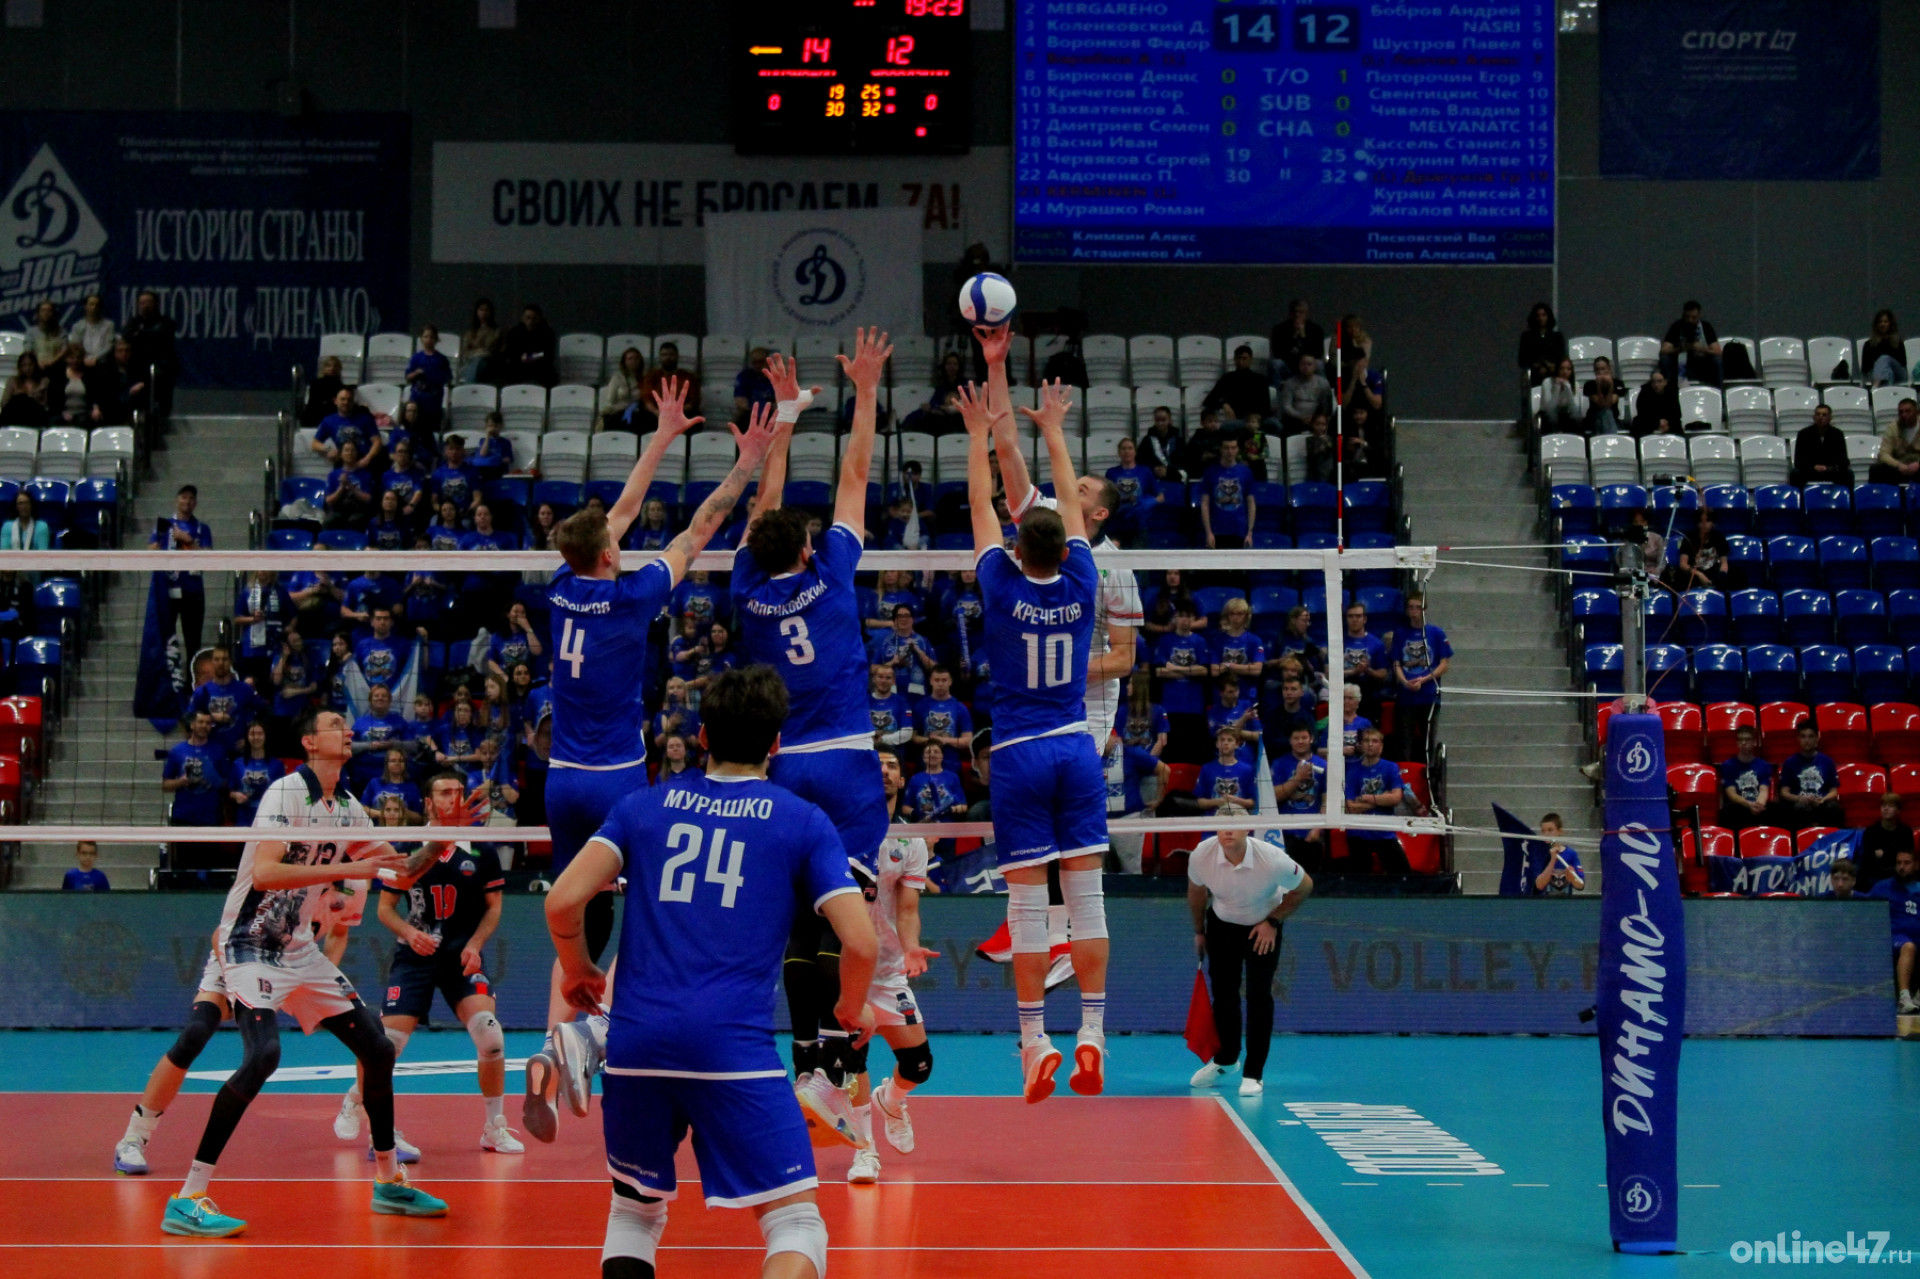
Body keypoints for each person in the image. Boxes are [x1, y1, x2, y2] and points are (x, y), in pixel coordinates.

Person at [542, 665, 879, 1279]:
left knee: (633, 1213)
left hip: (635, 1046)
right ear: (776, 742)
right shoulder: (802, 820)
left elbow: (562, 901)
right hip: (731, 1050)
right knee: (796, 1223)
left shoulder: (641, 807)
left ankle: (576, 1042)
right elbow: (860, 941)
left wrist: (578, 969)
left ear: (702, 736)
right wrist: (850, 1009)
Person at [524, 380, 776, 1143]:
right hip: (614, 780)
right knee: (649, 907)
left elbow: (619, 514)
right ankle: (605, 1036)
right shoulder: (633, 596)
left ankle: (552, 1046)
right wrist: (748, 462)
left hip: (561, 779)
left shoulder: (562, 588)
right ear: (609, 555)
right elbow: (700, 528)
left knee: (575, 910)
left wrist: (663, 436)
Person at [156, 707, 449, 1236]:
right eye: (336, 725)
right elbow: (266, 873)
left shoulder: (350, 809)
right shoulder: (285, 793)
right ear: (311, 743)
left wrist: (441, 836)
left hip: (299, 949)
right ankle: (189, 1196)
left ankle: (389, 1183)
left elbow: (403, 872)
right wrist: (352, 867)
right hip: (249, 943)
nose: (348, 731)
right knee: (264, 1054)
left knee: (378, 1047)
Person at [733, 332, 898, 1131]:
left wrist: (786, 418)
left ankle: (807, 1061)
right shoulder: (830, 575)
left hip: (788, 767)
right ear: (807, 548)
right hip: (849, 765)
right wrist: (864, 389)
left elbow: (759, 512)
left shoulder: (747, 590)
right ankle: (834, 1059)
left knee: (805, 916)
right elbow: (856, 475)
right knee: (849, 914)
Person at [956, 373, 1112, 1102]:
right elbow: (1069, 511)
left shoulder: (1001, 582)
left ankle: (1033, 1041)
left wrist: (977, 436)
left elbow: (979, 505)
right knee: (1087, 902)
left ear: (1019, 548)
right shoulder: (1083, 582)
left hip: (1019, 753)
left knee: (1026, 909)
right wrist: (1053, 428)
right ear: (1067, 547)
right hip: (1075, 744)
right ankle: (1093, 1031)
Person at [332, 771, 521, 1156]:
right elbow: (385, 909)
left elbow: (494, 908)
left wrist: (476, 943)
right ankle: (366, 1113)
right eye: (445, 793)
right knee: (386, 1045)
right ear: (430, 803)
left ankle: (494, 1128)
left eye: (459, 792)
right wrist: (409, 931)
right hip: (415, 957)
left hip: (461, 957)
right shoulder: (409, 848)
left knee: (491, 1037)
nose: (454, 798)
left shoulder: (482, 851)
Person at [840, 751, 940, 1183]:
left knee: (919, 1066)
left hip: (887, 971)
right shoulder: (840, 831)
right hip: (845, 964)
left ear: (902, 780)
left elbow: (908, 907)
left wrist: (911, 947)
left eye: (893, 765)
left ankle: (892, 1100)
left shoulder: (910, 841)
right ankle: (864, 1151)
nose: (884, 770)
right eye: (877, 763)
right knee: (852, 1057)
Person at [1187, 827, 1312, 1095]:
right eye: (1223, 827)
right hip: (1222, 925)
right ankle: (1226, 1059)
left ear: (1247, 830)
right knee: (1223, 994)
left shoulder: (1272, 859)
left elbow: (1304, 887)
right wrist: (1199, 931)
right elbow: (1196, 892)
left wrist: (1273, 922)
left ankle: (1254, 1073)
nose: (1228, 832)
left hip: (1262, 927)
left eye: (1235, 826)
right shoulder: (1201, 855)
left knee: (1258, 996)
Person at [150, 485, 212, 655]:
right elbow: (151, 548)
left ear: (195, 503)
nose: (187, 501)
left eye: (191, 498)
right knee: (165, 639)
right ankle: (167, 672)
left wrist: (189, 541)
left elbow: (209, 558)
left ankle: (191, 672)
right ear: (177, 500)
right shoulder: (164, 525)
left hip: (193, 591)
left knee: (193, 641)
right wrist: (154, 549)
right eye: (184, 497)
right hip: (167, 588)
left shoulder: (202, 528)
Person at [1390, 595, 1451, 767]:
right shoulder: (1400, 634)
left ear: (1424, 609)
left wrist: (1424, 680)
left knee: (1427, 740)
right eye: (1411, 607)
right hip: (1406, 696)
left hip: (1429, 695)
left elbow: (1444, 664)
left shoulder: (1436, 633)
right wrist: (1405, 682)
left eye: (1418, 607)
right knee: (1405, 741)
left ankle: (1428, 774)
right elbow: (1396, 663)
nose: (1414, 611)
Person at [1344, 727, 1408, 873]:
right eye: (1366, 741)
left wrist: (1367, 798)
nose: (1370, 744)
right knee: (1360, 878)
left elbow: (1396, 798)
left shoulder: (1391, 767)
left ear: (1381, 746)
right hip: (1358, 833)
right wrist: (1382, 798)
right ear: (1360, 745)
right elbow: (1351, 808)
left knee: (1404, 875)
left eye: (1374, 741)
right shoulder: (1352, 771)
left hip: (1384, 831)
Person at [1864, 848, 1920, 1014]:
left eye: (1906, 863)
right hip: (1893, 937)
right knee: (1908, 947)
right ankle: (1904, 998)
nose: (1902, 867)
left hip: (1917, 937)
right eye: (1899, 863)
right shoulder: (1882, 888)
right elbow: (1865, 910)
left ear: (1916, 865)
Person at [1272, 725, 1328, 872]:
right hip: (1285, 834)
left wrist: (1318, 829)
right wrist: (1298, 778)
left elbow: (1327, 802)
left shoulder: (1323, 765)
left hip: (1312, 833)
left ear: (1311, 739)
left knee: (1312, 879)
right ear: (1290, 741)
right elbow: (1274, 797)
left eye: (1304, 737)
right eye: (1296, 738)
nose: (1300, 741)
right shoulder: (1279, 764)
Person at [1770, 719, 1842, 832]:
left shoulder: (1828, 762)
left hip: (1821, 804)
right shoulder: (1790, 762)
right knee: (1797, 809)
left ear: (1817, 738)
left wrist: (1823, 799)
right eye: (1803, 736)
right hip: (1799, 805)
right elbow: (1784, 792)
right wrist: (1799, 799)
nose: (1807, 740)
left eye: (1810, 736)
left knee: (1834, 809)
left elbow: (1834, 792)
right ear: (1798, 739)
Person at [1715, 724, 1774, 836]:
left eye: (1747, 739)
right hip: (1739, 806)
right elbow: (1731, 794)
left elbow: (1763, 790)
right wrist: (1749, 805)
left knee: (1775, 809)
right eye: (1740, 740)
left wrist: (1758, 805)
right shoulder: (1728, 765)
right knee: (1729, 810)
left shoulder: (1763, 765)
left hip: (1757, 805)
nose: (1743, 743)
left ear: (1754, 742)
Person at [1199, 437, 1256, 551]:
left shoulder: (1246, 472)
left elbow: (1251, 504)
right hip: (1217, 531)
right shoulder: (1210, 472)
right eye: (1226, 448)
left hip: (1239, 530)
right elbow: (1205, 504)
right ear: (1221, 449)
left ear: (1238, 449)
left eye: (1233, 448)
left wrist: (1250, 532)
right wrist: (1208, 532)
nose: (1230, 451)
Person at [228, 722, 287, 827]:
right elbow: (230, 792)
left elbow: (283, 794)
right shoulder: (237, 764)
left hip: (269, 819)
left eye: (260, 734)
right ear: (247, 737)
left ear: (265, 736)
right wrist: (236, 795)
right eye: (252, 734)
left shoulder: (277, 765)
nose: (256, 737)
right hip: (244, 819)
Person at [1203, 344, 1273, 426]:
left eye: (1244, 359)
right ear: (1234, 359)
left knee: (1274, 424)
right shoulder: (1228, 378)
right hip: (1237, 420)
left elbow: (1266, 408)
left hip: (1257, 420)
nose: (1240, 362)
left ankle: (1256, 432)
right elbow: (1209, 401)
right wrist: (1224, 404)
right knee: (1227, 427)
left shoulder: (1260, 380)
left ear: (1250, 360)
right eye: (1238, 358)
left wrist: (1255, 419)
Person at [1856, 793, 1914, 892]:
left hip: (1898, 874)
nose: (1886, 809)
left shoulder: (1905, 832)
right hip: (1875, 875)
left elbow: (1906, 858)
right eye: (1883, 806)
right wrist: (1891, 853)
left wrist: (1884, 854)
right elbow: (1868, 859)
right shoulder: (1871, 831)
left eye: (1890, 806)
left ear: (1898, 810)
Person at [1197, 726, 1259, 815]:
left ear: (1237, 744)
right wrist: (1218, 801)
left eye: (1229, 740)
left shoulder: (1247, 770)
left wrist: (1235, 801)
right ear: (1217, 744)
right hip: (1213, 819)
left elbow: (1253, 802)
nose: (1225, 743)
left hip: (1239, 818)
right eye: (1222, 740)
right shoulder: (1206, 768)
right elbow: (1200, 802)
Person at [902, 741, 967, 823]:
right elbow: (905, 808)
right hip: (923, 825)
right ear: (923, 757)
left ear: (942, 756)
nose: (932, 755)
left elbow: (964, 806)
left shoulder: (953, 777)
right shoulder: (915, 779)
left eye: (936, 752)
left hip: (947, 825)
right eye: (928, 752)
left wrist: (950, 809)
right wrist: (916, 812)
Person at [1660, 300, 1722, 386]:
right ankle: (1669, 388)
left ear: (1699, 316)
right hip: (1680, 362)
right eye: (1687, 317)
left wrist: (1702, 349)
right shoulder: (1677, 326)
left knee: (1717, 360)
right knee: (1665, 359)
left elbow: (1718, 352)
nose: (1690, 320)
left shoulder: (1706, 327)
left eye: (1694, 317)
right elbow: (1664, 351)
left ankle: (1717, 390)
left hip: (1701, 362)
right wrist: (1679, 349)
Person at [498, 303, 557, 387]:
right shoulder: (515, 332)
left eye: (534, 319)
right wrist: (523, 358)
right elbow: (511, 353)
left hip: (540, 367)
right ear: (522, 318)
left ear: (539, 319)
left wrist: (530, 357)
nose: (530, 322)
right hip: (519, 367)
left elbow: (547, 354)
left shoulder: (547, 333)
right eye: (528, 318)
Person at [1793, 403, 1852, 488]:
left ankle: (1846, 496)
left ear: (1830, 418)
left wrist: (1828, 468)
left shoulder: (1837, 434)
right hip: (1810, 471)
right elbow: (1798, 461)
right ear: (1814, 417)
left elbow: (1843, 460)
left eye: (1824, 415)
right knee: (1795, 473)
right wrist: (1813, 467)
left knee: (1848, 474)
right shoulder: (1804, 434)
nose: (1820, 417)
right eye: (1818, 414)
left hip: (1831, 471)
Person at [1276, 351, 1331, 436]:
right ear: (1299, 366)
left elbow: (1325, 406)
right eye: (1303, 364)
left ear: (1315, 367)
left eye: (1309, 364)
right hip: (1294, 419)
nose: (1306, 367)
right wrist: (1300, 416)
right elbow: (1286, 405)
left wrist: (1315, 417)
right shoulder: (1289, 383)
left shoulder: (1323, 383)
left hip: (1315, 419)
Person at [1272, 299, 1327, 380]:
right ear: (1290, 314)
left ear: (1306, 314)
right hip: (1288, 365)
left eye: (1301, 312)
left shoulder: (1316, 329)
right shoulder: (1279, 329)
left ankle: (1323, 386)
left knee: (1319, 364)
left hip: (1308, 365)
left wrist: (1303, 336)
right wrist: (1294, 337)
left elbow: (1317, 353)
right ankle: (1274, 387)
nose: (1297, 315)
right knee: (1275, 364)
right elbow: (1278, 353)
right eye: (1294, 312)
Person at [1531, 813, 1585, 894]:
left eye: (1550, 830)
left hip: (1566, 900)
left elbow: (1581, 885)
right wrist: (1552, 860)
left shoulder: (1571, 854)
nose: (1546, 834)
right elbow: (1539, 885)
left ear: (1560, 831)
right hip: (1545, 900)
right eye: (1543, 831)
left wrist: (1572, 880)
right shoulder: (1540, 854)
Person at [1871, 397, 1920, 486]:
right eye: (1901, 412)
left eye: (1908, 411)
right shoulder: (1893, 428)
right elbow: (1883, 454)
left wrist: (1918, 464)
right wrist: (1899, 465)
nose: (1904, 415)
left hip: (1918, 466)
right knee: (1876, 469)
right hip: (1900, 468)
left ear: (1917, 412)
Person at [1517, 302, 1568, 386]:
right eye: (1538, 316)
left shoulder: (1557, 336)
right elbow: (1522, 360)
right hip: (1534, 373)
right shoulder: (1527, 337)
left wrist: (1549, 366)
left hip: (1553, 373)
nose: (1540, 318)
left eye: (1543, 315)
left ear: (1548, 317)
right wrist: (1538, 366)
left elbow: (1561, 357)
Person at [602, 345, 647, 430]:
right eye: (630, 359)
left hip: (638, 414)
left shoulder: (645, 377)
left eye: (636, 359)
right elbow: (611, 401)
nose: (633, 361)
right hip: (618, 413)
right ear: (624, 362)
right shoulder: (617, 377)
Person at [459, 298, 502, 384]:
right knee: (472, 364)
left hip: (487, 363)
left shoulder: (496, 332)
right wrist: (478, 350)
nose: (484, 313)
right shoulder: (470, 333)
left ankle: (469, 387)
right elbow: (465, 352)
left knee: (478, 361)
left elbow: (489, 351)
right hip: (470, 361)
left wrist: (476, 347)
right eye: (481, 310)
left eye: (486, 310)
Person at [1631, 369, 1681, 438]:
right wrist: (1658, 422)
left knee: (1676, 424)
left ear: (1665, 382)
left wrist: (1666, 422)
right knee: (1638, 422)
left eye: (1659, 381)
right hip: (1650, 421)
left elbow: (1676, 412)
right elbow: (1642, 411)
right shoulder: (1645, 390)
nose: (1656, 384)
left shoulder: (1672, 390)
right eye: (1653, 382)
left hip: (1667, 421)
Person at [1864, 309, 1907, 387]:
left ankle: (1875, 388)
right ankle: (1886, 389)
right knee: (1888, 372)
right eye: (1880, 322)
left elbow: (1903, 364)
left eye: (1885, 322)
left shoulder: (1898, 343)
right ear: (1876, 325)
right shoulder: (1869, 344)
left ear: (1890, 324)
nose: (1882, 324)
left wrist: (1886, 362)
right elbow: (1865, 369)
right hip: (1876, 374)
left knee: (1884, 358)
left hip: (1898, 375)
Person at [1583, 355, 1623, 436]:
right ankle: (1611, 439)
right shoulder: (1589, 385)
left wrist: (1611, 386)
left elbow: (1608, 405)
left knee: (1607, 413)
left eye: (1603, 369)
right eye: (1597, 369)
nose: (1600, 372)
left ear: (1609, 369)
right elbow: (1601, 405)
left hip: (1613, 419)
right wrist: (1598, 386)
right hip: (1594, 419)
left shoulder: (1618, 383)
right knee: (1605, 414)